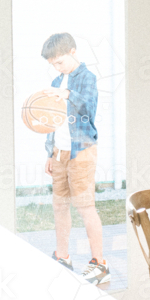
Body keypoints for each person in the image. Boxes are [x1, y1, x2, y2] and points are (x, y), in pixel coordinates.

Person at [40, 33, 107, 285]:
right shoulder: (57, 80)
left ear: (73, 51)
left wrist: (67, 94)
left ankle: (99, 262)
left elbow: (89, 108)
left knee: (85, 205)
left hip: (82, 149)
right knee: (59, 205)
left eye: (59, 62)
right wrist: (50, 152)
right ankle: (63, 257)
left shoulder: (86, 78)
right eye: (53, 64)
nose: (57, 68)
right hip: (60, 153)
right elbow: (50, 118)